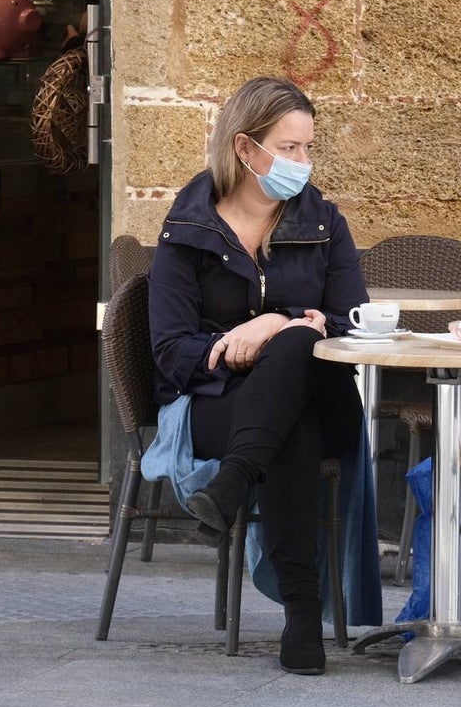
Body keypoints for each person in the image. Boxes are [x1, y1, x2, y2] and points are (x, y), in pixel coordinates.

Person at [147, 76, 369, 676]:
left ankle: (232, 483)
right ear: (245, 149)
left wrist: (277, 324)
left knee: (296, 342)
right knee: (287, 434)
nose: (302, 162)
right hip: (219, 402)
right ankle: (303, 618)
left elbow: (351, 324)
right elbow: (169, 351)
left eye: (306, 148)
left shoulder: (323, 222)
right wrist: (232, 345)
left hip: (328, 401)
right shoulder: (187, 233)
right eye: (288, 148)